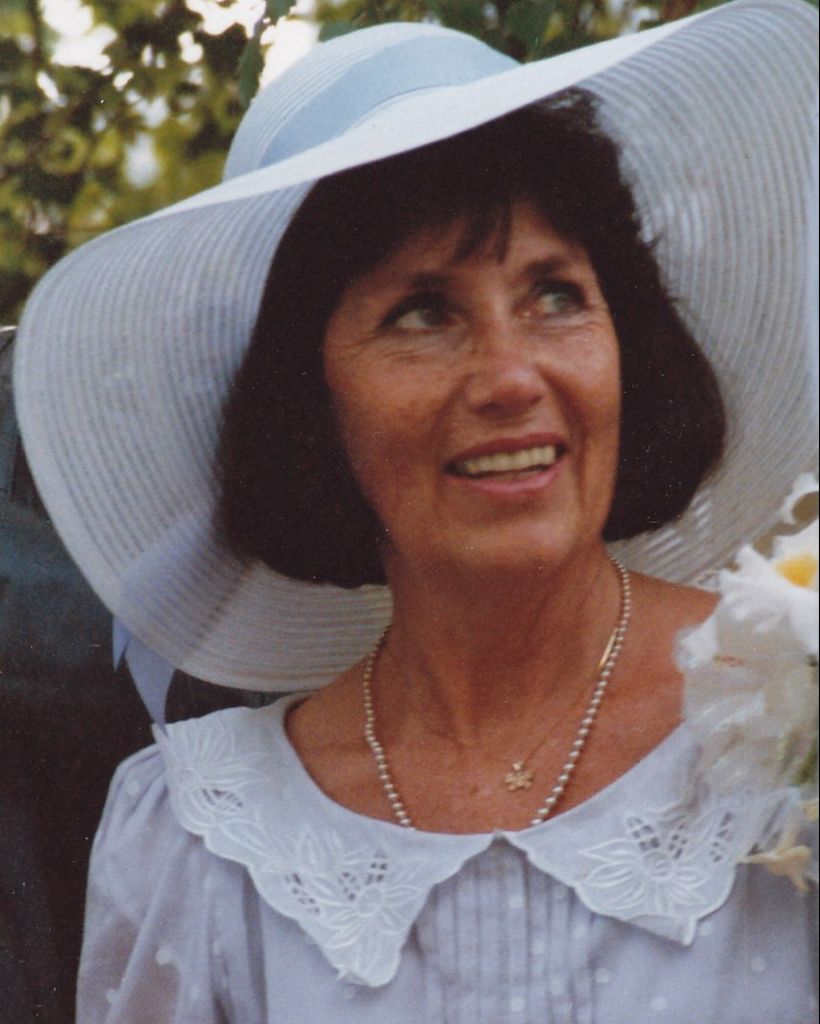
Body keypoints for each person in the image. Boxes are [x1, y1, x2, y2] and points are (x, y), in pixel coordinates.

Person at [12, 2, 817, 1021]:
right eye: (423, 313)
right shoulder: (203, 842)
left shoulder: (791, 719)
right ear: (312, 405)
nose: (511, 377)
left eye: (555, 295)